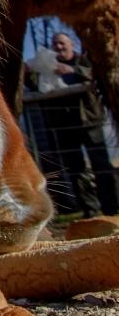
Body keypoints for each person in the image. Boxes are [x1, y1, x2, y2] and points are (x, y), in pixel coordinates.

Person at [32, 32, 119, 217]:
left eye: (62, 43)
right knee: (76, 169)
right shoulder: (48, 66)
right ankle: (90, 210)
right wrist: (30, 70)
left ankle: (111, 207)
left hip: (90, 121)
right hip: (64, 124)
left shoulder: (85, 61)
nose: (59, 47)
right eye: (55, 44)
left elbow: (98, 75)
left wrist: (74, 71)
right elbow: (35, 84)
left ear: (71, 45)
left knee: (101, 165)